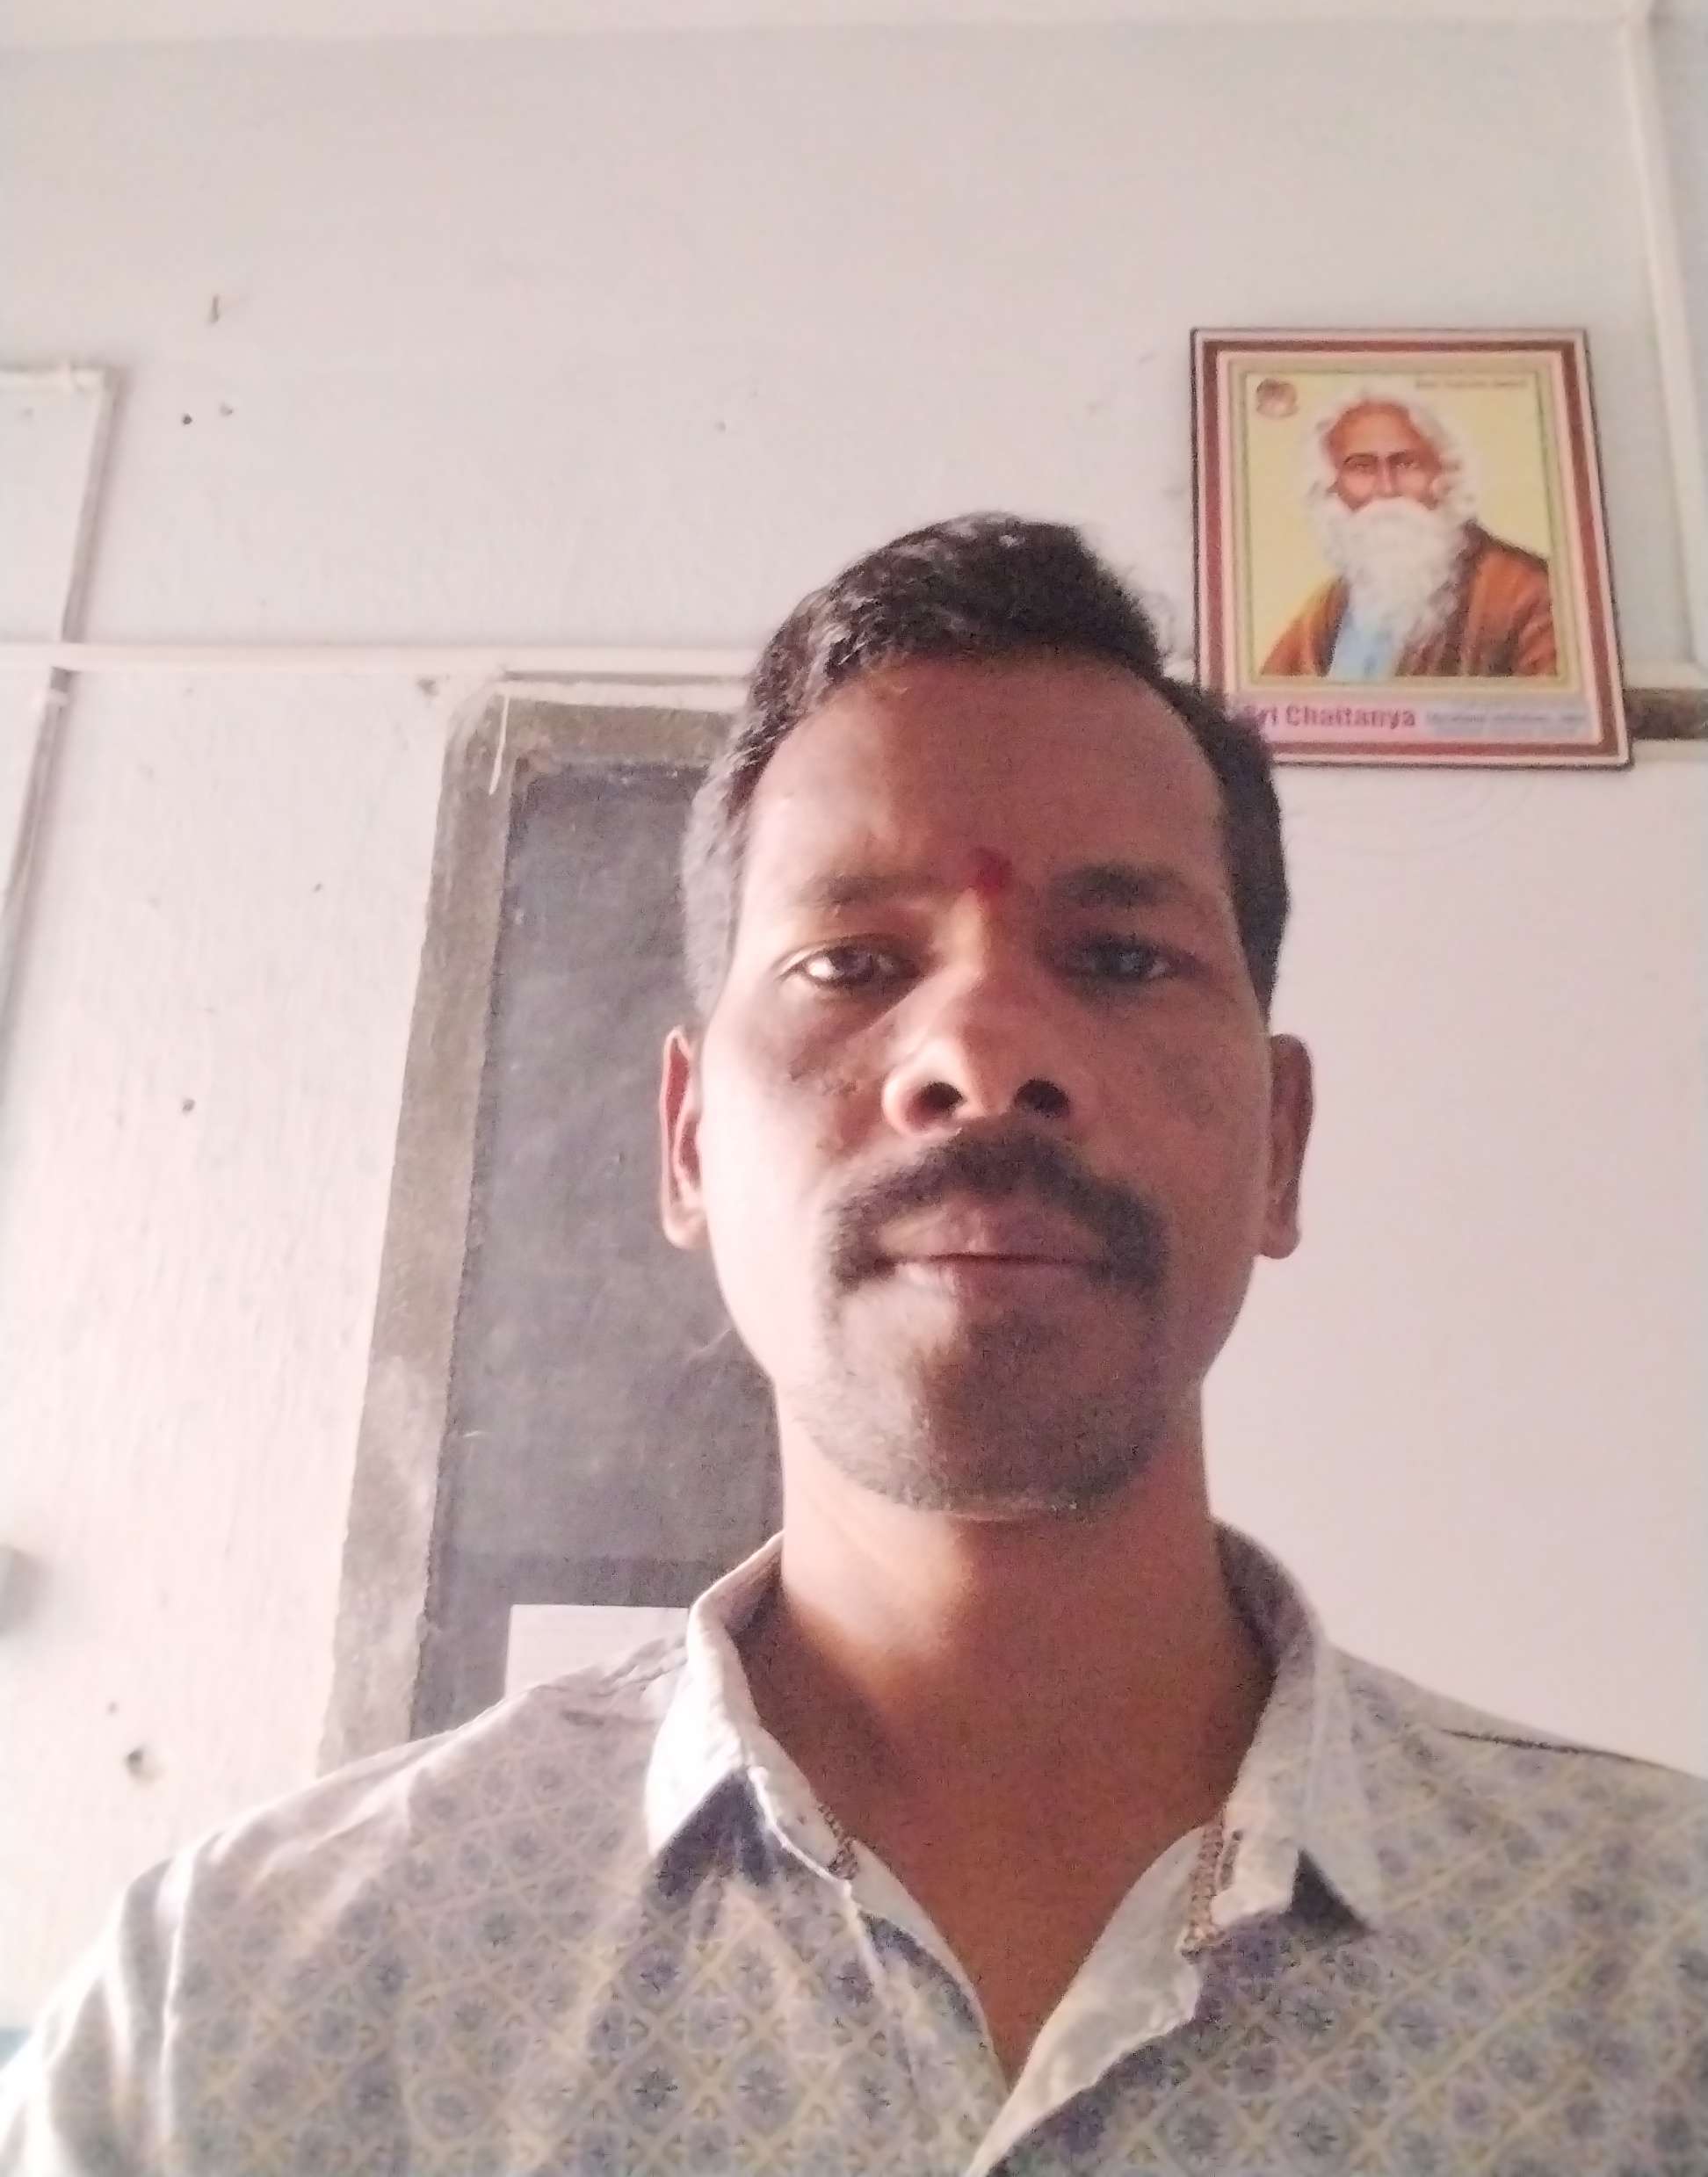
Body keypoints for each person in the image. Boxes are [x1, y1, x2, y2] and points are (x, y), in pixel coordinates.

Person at [3, 515, 1702, 2173]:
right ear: (686, 1141)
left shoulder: (1661, 1980)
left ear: (1278, 1143)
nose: (980, 1049)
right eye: (850, 960)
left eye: (1121, 957)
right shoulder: (242, 2006)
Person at [1260, 387, 1560, 681]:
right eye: (1362, 467)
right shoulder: (1330, 606)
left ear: (1447, 476)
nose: (1387, 488)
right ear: (1330, 486)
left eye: (1408, 464)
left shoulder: (1529, 592)